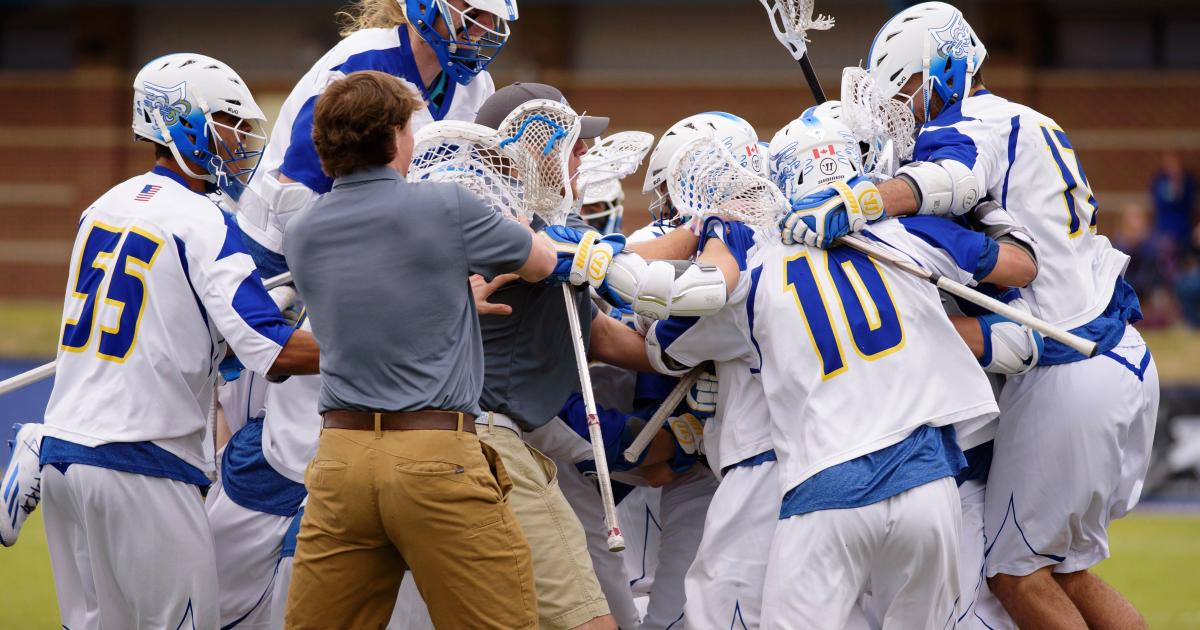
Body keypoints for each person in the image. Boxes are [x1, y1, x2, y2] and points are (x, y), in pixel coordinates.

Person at [786, 3, 1159, 626]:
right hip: (1116, 352)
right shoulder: (1024, 120)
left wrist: (862, 197)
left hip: (1066, 363)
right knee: (1063, 570)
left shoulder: (965, 126)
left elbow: (951, 179)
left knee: (1016, 575)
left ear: (941, 70)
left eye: (904, 89)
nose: (899, 109)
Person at [205, 2, 520, 624]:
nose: (484, 32)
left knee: (319, 476)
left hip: (365, 287)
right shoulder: (357, 66)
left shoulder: (472, 83)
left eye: (492, 18)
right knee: (280, 465)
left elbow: (444, 202)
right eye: (472, 15)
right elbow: (306, 204)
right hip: (284, 287)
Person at [30, 53, 322, 629]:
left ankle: (26, 446)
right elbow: (274, 353)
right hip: (143, 460)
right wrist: (383, 346)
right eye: (229, 123)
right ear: (183, 123)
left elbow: (180, 333)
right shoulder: (206, 219)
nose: (240, 140)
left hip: (64, 454)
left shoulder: (101, 208)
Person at [281, 70, 555, 628]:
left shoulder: (303, 230)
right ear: (392, 136)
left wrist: (449, 298)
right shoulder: (444, 205)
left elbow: (370, 305)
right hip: (435, 454)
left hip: (340, 461)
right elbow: (540, 261)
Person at [1151, 151, 1197, 253]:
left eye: (1174, 164)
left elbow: (1190, 202)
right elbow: (1157, 204)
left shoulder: (1188, 181)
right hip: (1164, 227)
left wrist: (1178, 182)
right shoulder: (1159, 182)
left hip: (1184, 228)